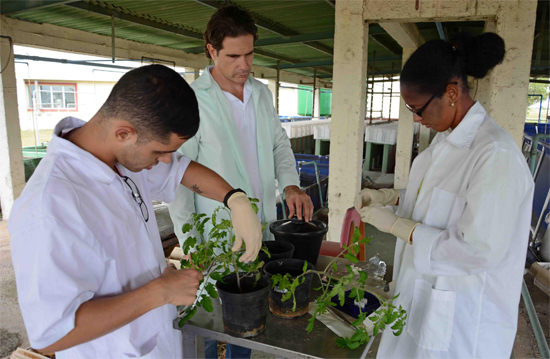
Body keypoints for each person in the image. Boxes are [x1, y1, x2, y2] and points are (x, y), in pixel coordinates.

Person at [9, 64, 262, 359]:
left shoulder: (121, 157)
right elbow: (51, 335)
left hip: (160, 342)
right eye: (159, 151)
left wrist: (235, 199)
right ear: (124, 133)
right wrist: (160, 292)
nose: (165, 160)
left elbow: (181, 170)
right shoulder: (51, 205)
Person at [355, 33, 534, 358]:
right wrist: (392, 197)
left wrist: (398, 227)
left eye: (418, 108)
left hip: (463, 323)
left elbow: (479, 250)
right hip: (426, 297)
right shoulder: (448, 138)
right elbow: (441, 201)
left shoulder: (495, 155)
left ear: (451, 93)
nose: (416, 119)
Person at [168, 7, 313, 359]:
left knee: (250, 313)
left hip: (262, 223)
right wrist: (190, 245)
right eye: (234, 55)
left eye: (249, 53)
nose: (244, 65)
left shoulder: (261, 94)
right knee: (216, 318)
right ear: (211, 50)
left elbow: (279, 144)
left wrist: (290, 184)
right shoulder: (193, 101)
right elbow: (177, 175)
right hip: (217, 232)